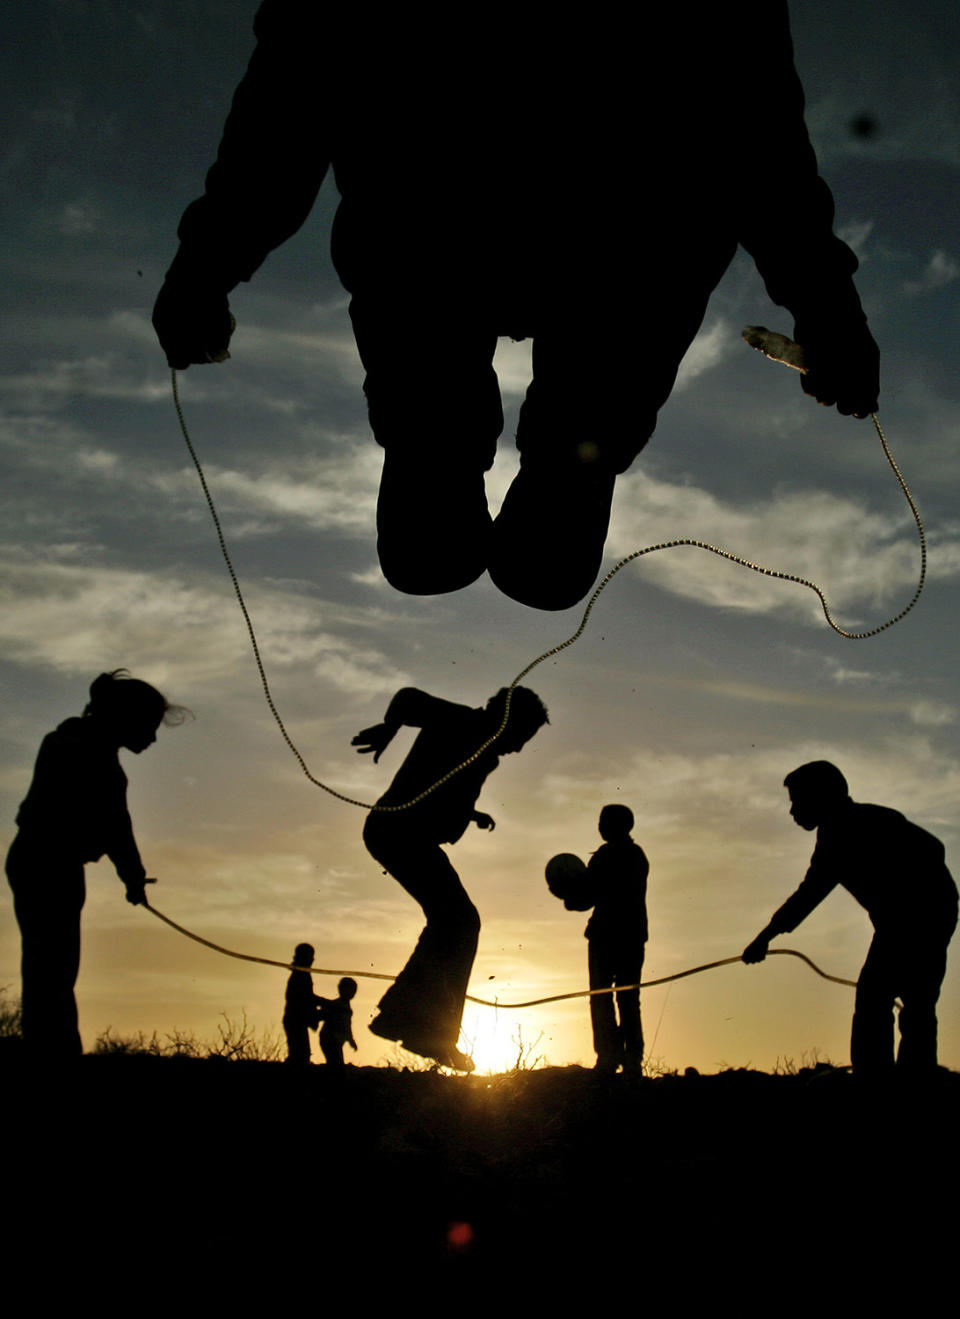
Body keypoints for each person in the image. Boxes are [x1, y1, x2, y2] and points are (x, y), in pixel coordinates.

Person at [152, 2, 879, 612]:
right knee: (481, 466)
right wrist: (827, 302)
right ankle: (486, 448)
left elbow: (759, 134)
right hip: (540, 228)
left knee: (522, 455)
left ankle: (520, 453)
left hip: (526, 226)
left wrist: (206, 262)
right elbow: (288, 101)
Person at [353, 685, 548, 1071]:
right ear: (507, 720)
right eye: (523, 737)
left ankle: (410, 1021)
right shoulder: (463, 720)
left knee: (454, 921)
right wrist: (390, 728)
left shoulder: (482, 748)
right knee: (458, 920)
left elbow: (448, 778)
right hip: (396, 831)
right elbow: (408, 698)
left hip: (409, 835)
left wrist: (471, 813)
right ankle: (422, 1028)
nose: (521, 749)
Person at [5, 670, 188, 1060]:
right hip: (51, 864)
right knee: (53, 968)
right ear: (126, 718)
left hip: (39, 858)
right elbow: (116, 825)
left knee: (46, 966)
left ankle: (49, 1047)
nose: (153, 738)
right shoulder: (90, 754)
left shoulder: (66, 741)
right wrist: (132, 876)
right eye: (150, 727)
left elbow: (112, 825)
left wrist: (131, 874)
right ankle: (53, 1052)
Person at [742, 761, 958, 1077]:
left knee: (885, 995)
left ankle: (880, 1077)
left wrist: (764, 938)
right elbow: (933, 846)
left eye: (797, 802)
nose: (792, 812)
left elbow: (809, 893)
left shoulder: (847, 831)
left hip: (919, 915)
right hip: (920, 914)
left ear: (822, 797)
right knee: (907, 998)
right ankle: (906, 1076)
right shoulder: (851, 826)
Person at [549, 805, 649, 1075]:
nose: (600, 826)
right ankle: (629, 1060)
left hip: (609, 936)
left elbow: (591, 894)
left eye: (603, 822)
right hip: (631, 936)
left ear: (618, 825)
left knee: (604, 997)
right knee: (626, 998)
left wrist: (567, 896)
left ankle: (610, 1057)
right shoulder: (636, 856)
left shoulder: (608, 857)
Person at [283, 941, 322, 1066]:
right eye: (309, 957)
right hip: (295, 1020)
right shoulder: (300, 975)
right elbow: (305, 998)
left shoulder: (303, 974)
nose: (312, 960)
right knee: (300, 1055)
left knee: (301, 1054)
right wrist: (325, 1004)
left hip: (297, 1020)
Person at [317, 976, 358, 1068]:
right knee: (336, 1066)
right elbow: (321, 1014)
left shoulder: (345, 1008)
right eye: (349, 990)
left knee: (336, 1065)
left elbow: (347, 1027)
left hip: (335, 1040)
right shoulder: (336, 1005)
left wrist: (351, 1041)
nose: (351, 993)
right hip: (330, 1039)